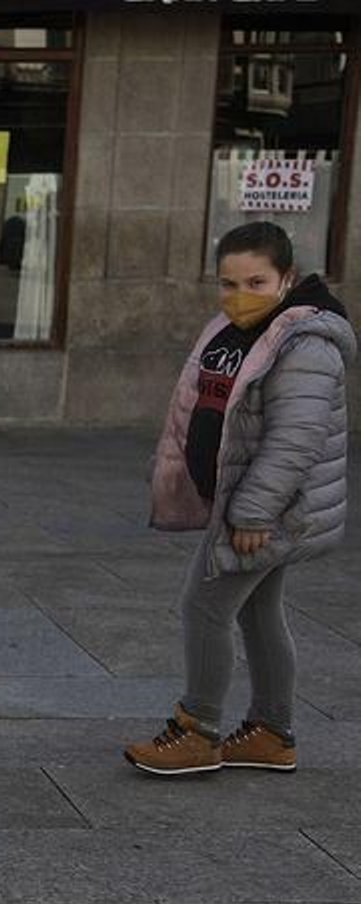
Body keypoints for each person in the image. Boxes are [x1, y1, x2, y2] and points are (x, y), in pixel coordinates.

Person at [128, 221, 353, 775]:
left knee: (203, 607)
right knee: (258, 611)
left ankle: (197, 730)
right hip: (246, 502)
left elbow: (294, 440)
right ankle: (272, 733)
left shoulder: (305, 344)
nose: (239, 296)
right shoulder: (234, 331)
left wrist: (252, 511)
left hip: (262, 509)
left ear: (288, 279)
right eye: (228, 283)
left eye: (256, 281)